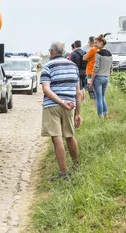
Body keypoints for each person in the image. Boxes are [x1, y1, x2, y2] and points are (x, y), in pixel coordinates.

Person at [40, 41, 83, 181]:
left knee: (57, 138)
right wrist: (78, 113)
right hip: (70, 106)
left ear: (52, 51)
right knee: (70, 136)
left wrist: (61, 102)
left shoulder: (47, 66)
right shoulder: (73, 66)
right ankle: (76, 166)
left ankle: (63, 173)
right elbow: (78, 92)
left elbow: (46, 89)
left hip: (53, 106)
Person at [89, 35, 113, 118]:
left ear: (101, 43)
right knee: (103, 97)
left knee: (98, 98)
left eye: (96, 43)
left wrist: (91, 80)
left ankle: (100, 117)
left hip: (98, 78)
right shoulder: (110, 54)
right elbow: (111, 67)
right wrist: (108, 75)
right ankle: (106, 115)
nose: (95, 45)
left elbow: (95, 68)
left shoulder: (98, 54)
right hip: (106, 77)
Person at [82, 36, 98, 106]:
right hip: (99, 72)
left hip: (90, 72)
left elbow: (84, 58)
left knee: (91, 89)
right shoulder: (100, 49)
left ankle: (95, 104)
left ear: (90, 42)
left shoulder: (92, 49)